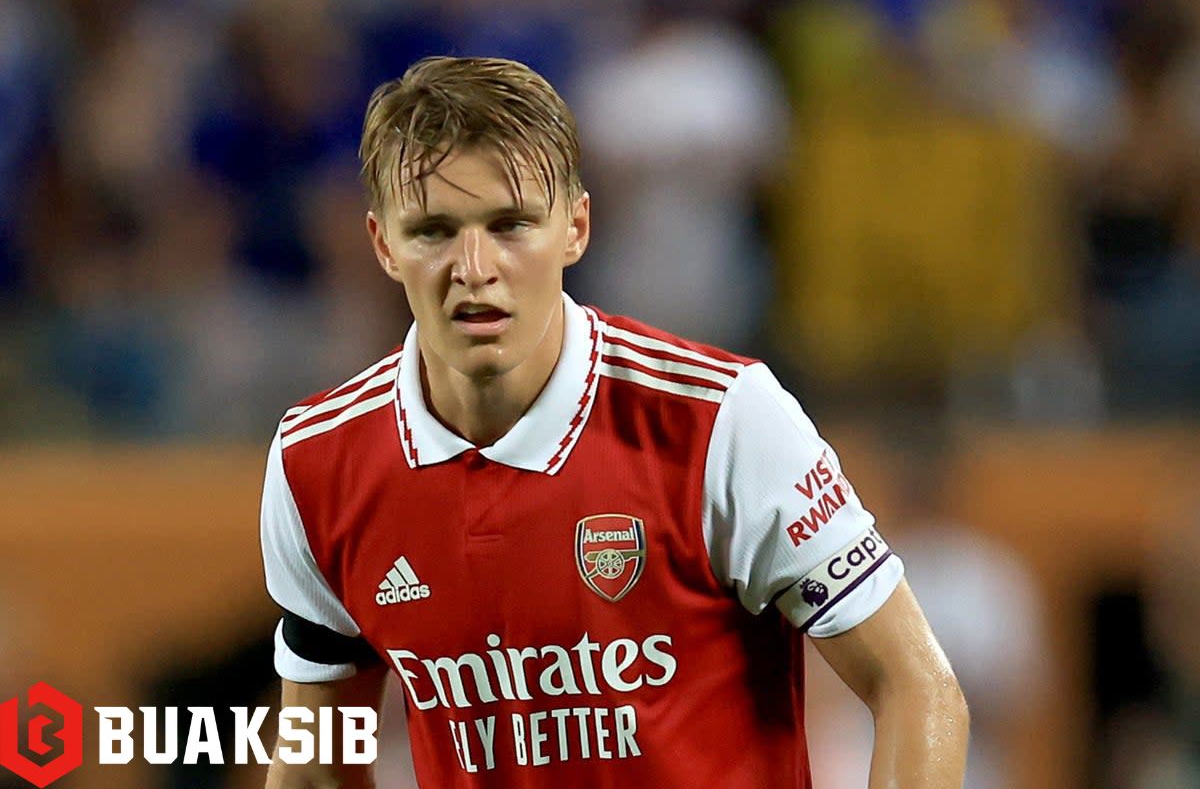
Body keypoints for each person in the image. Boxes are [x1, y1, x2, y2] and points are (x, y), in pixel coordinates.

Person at [260, 56, 968, 788]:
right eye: (433, 231)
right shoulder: (317, 464)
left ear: (575, 227)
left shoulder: (720, 421)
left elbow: (917, 688)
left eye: (510, 224)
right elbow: (315, 768)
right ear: (383, 244)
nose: (474, 267)